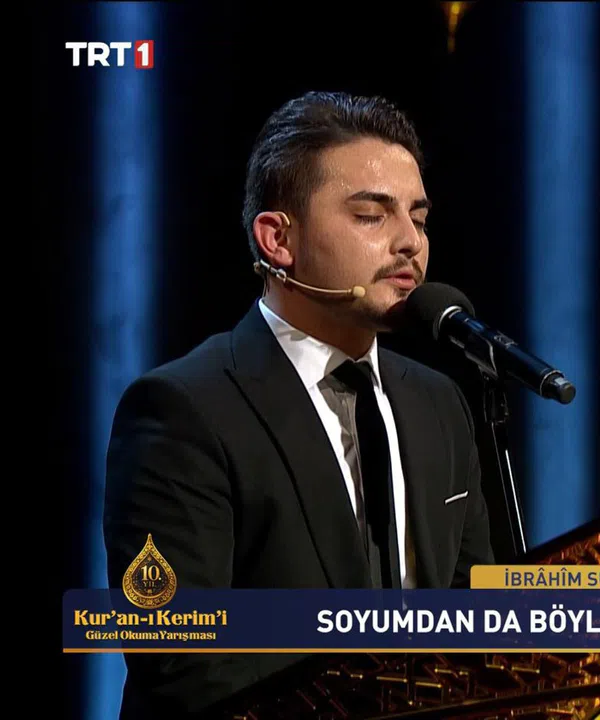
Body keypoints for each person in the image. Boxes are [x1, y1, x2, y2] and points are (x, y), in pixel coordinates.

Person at [102, 90, 494, 718]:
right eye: (372, 215)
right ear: (278, 239)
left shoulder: (438, 402)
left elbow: (469, 618)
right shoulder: (184, 408)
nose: (409, 243)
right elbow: (180, 660)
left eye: (419, 218)